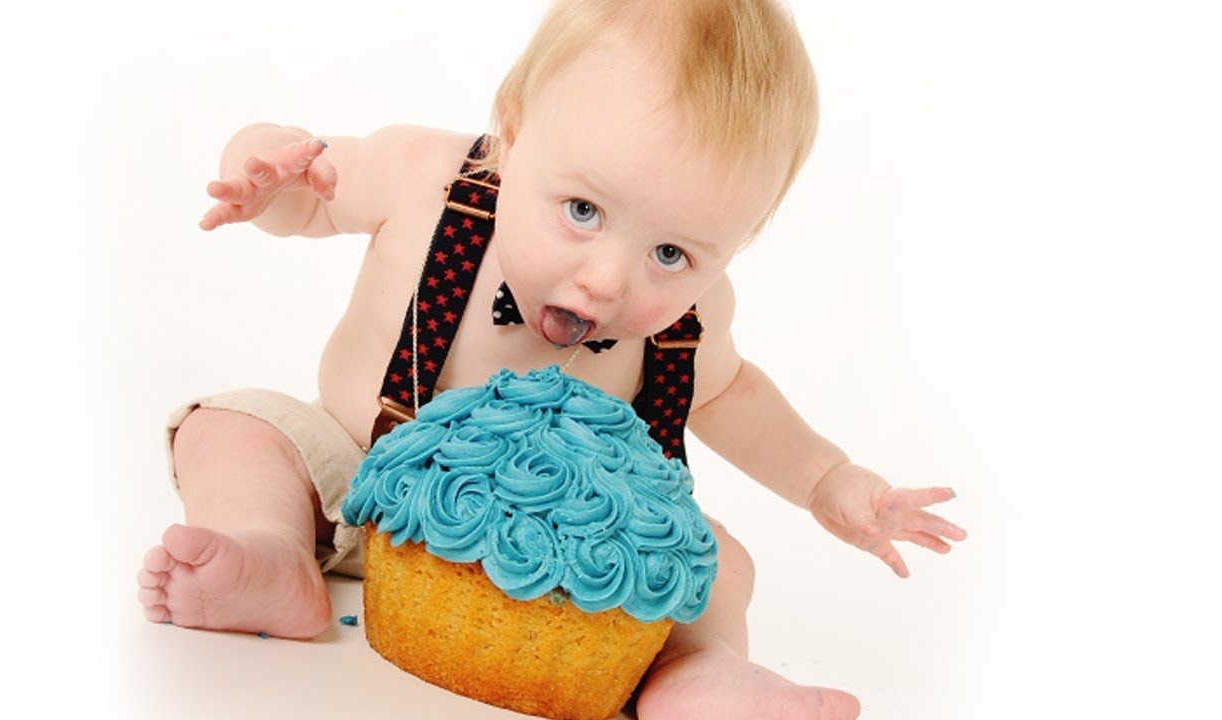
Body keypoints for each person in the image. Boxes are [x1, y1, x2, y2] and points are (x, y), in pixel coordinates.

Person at [136, 1, 966, 717]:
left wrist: (826, 479)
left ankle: (698, 668)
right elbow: (308, 197)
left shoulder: (694, 321)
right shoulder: (427, 179)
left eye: (673, 254)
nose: (606, 279)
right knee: (237, 425)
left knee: (717, 559)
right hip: (357, 484)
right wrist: (265, 170)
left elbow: (733, 396)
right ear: (514, 126)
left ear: (738, 244)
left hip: (573, 563)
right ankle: (271, 551)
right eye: (581, 209)